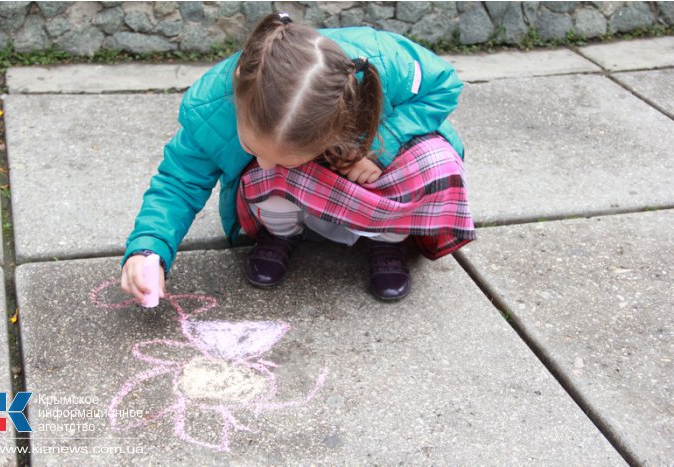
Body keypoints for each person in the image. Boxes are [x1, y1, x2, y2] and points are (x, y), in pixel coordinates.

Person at [121, 12, 475, 302]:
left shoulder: (382, 62)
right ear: (239, 90)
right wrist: (149, 247)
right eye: (253, 149)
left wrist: (379, 145)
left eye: (285, 157)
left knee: (433, 159)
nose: (262, 164)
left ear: (337, 123)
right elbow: (179, 180)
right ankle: (280, 231)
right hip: (305, 187)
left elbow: (443, 84)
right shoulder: (212, 107)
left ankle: (387, 240)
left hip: (356, 164)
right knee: (266, 174)